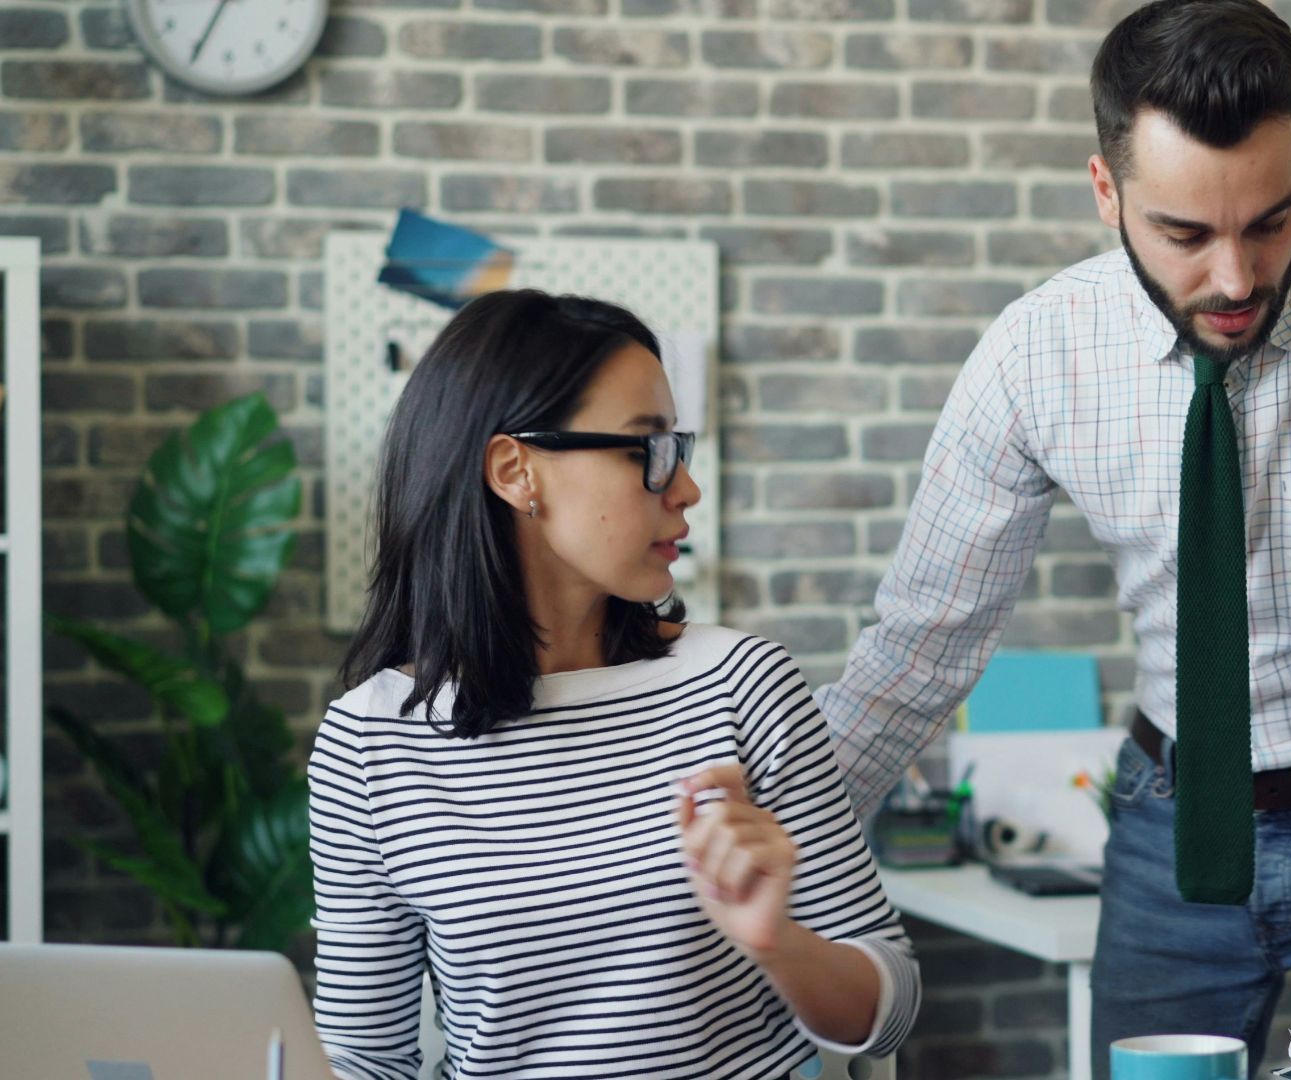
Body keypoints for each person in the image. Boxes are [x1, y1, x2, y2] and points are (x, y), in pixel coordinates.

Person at [816, 0, 1291, 1074]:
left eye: (1271, 222)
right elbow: (919, 648)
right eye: (1185, 234)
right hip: (1170, 820)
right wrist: (784, 838)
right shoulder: (1036, 357)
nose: (1236, 279)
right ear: (1107, 191)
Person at [311, 289, 919, 1080]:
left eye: (679, 446)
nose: (686, 488)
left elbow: (890, 1009)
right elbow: (365, 1060)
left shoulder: (740, 684)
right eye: (647, 449)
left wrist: (779, 941)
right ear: (514, 469)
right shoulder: (370, 741)